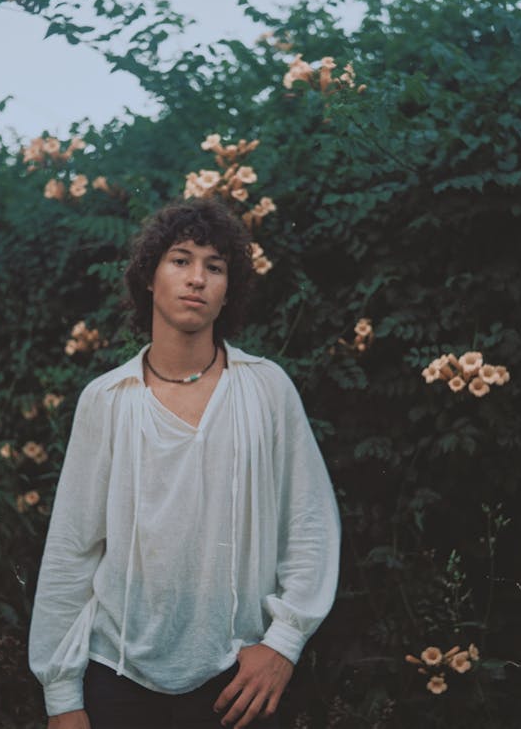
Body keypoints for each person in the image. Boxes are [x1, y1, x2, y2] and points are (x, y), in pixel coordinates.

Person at [29, 198, 341, 729]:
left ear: (228, 293)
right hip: (116, 676)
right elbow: (71, 548)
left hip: (237, 678)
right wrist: (62, 695)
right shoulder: (107, 399)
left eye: (214, 267)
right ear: (149, 278)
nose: (196, 278)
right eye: (180, 260)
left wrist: (284, 644)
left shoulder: (266, 389)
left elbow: (308, 523)